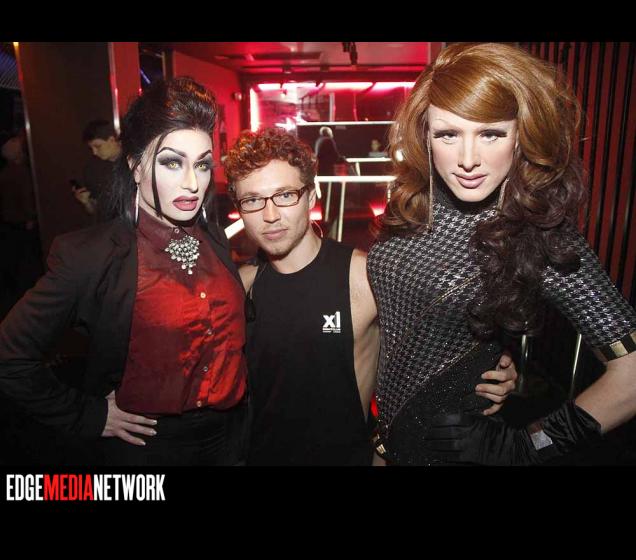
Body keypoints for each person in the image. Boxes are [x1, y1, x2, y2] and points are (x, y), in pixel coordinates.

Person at [367, 42, 636, 466]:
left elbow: (632, 372)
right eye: (448, 134)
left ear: (520, 135)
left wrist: (528, 445)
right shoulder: (413, 202)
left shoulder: (538, 232)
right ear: (426, 136)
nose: (467, 160)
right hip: (383, 442)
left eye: (490, 133)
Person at [223, 127, 518, 466]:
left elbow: (438, 343)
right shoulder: (242, 285)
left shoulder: (365, 276)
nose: (270, 215)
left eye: (285, 195)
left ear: (311, 195)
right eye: (253, 200)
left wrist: (494, 370)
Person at [0, 77, 248, 466]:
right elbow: (9, 356)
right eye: (172, 162)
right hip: (150, 449)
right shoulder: (91, 255)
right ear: (135, 166)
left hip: (231, 440)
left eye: (202, 164)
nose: (192, 182)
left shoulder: (214, 238)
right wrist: (89, 415)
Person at [73, 119, 122, 216]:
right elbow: (95, 211)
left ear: (112, 140)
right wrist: (86, 202)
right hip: (109, 224)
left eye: (98, 146)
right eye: (91, 148)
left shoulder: (134, 161)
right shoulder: (92, 169)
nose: (94, 152)